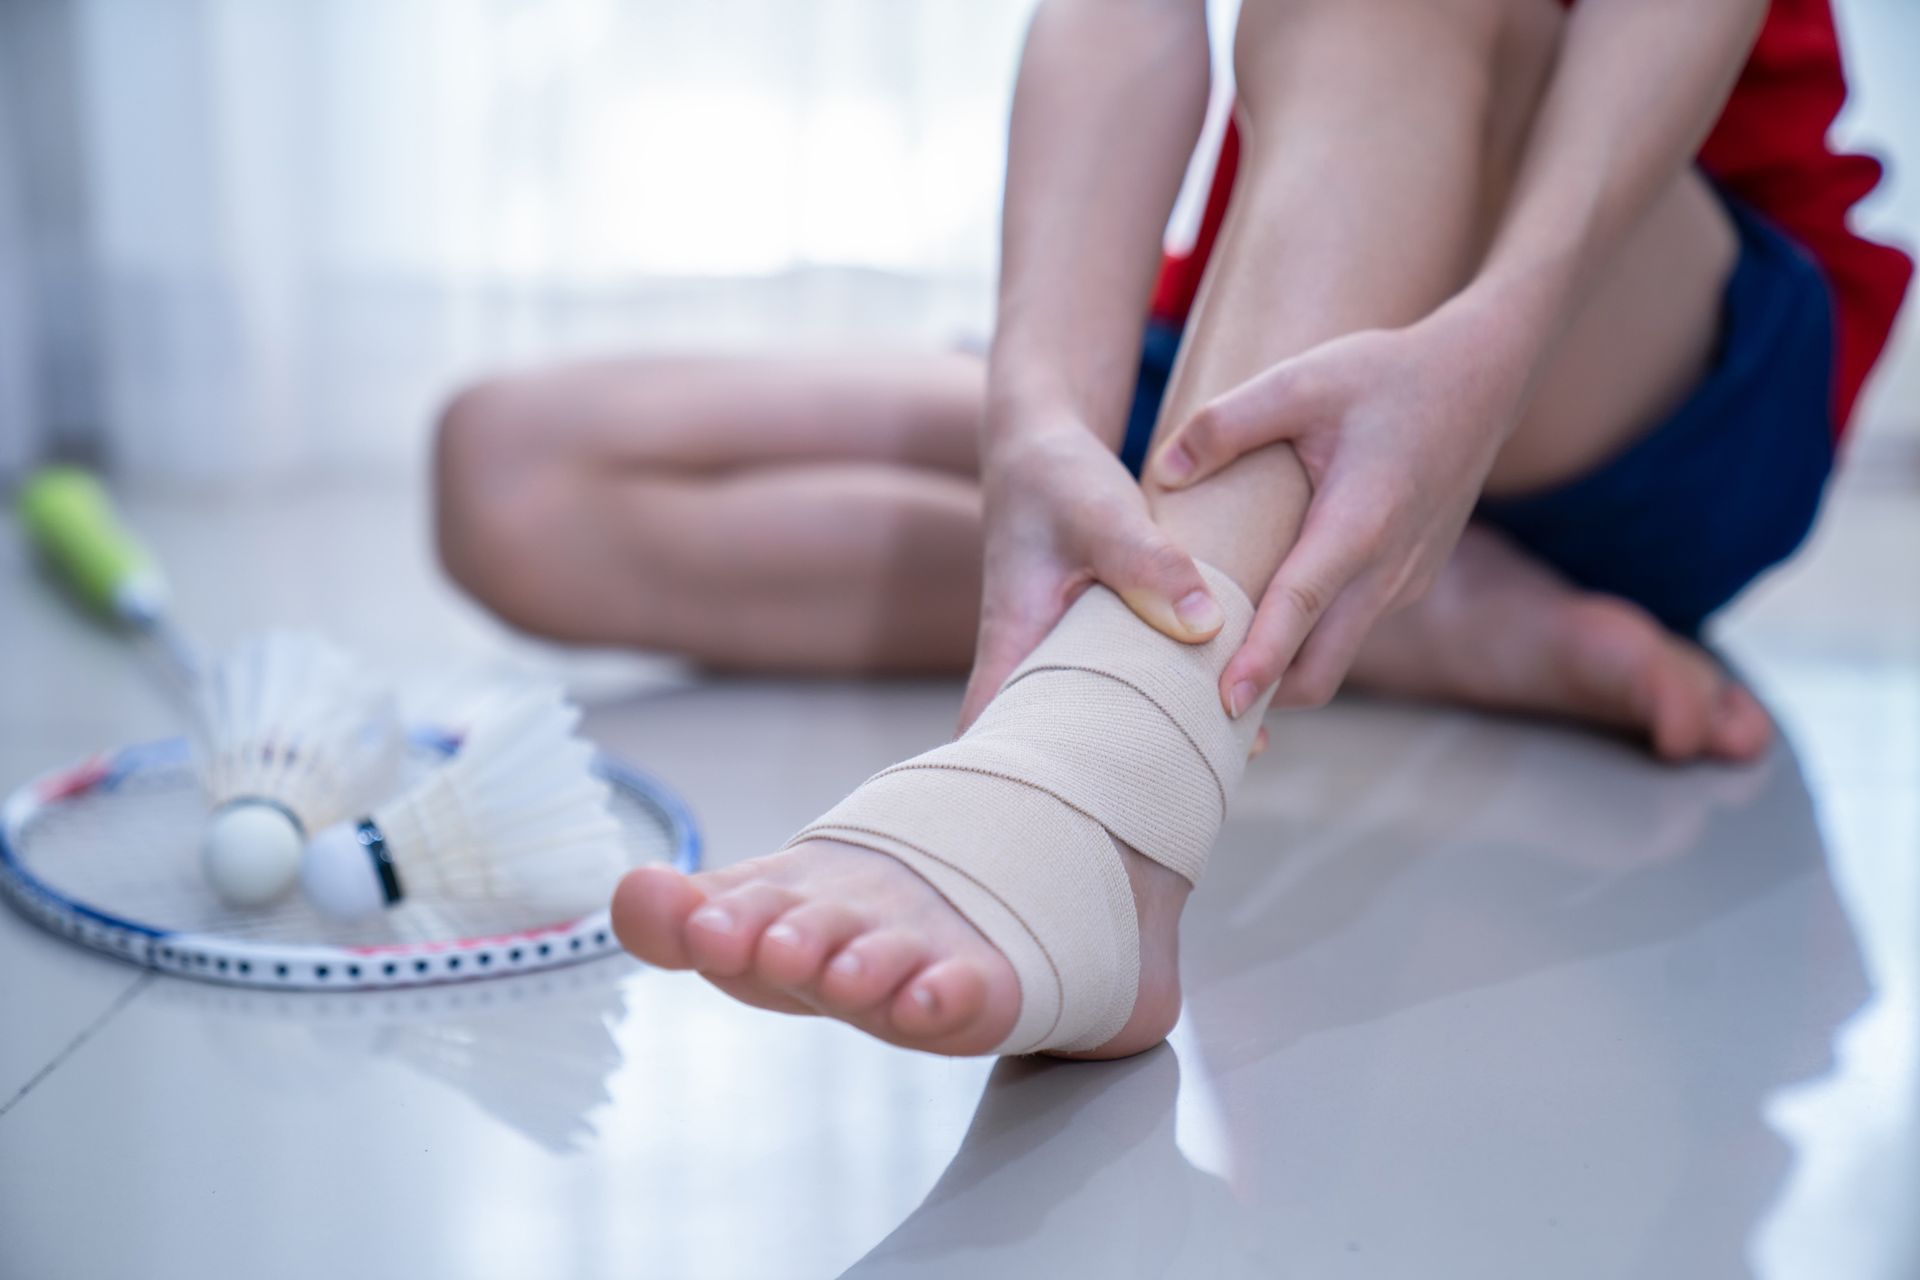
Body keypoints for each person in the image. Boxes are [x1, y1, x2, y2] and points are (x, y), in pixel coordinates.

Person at [433, 0, 1911, 1058]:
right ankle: (1392, 606)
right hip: (1277, 308)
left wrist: (1501, 336)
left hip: (1630, 336)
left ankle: (1115, 786)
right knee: (512, 479)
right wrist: (1039, 415)